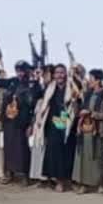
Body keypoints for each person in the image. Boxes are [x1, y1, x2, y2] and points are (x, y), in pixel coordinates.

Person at [0, 60, 41, 184]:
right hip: (8, 120)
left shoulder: (33, 85)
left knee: (22, 148)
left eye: (22, 71)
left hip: (22, 121)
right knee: (8, 147)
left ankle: (25, 174)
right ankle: (9, 172)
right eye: (18, 71)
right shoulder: (12, 81)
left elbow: (35, 104)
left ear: (27, 71)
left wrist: (31, 124)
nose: (20, 73)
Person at [35, 63, 78, 192]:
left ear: (66, 74)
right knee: (53, 152)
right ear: (54, 75)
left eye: (62, 72)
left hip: (67, 123)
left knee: (66, 153)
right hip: (53, 123)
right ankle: (53, 179)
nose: (59, 75)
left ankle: (63, 181)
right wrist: (40, 118)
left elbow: (75, 102)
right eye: (57, 73)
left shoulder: (72, 87)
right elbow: (44, 103)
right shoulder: (50, 88)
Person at [73, 69, 103, 194]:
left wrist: (91, 113)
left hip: (97, 130)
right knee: (83, 157)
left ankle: (100, 184)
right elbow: (78, 111)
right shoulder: (87, 94)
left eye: (91, 79)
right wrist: (76, 102)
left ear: (98, 80)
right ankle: (84, 184)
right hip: (84, 130)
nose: (89, 81)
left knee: (97, 157)